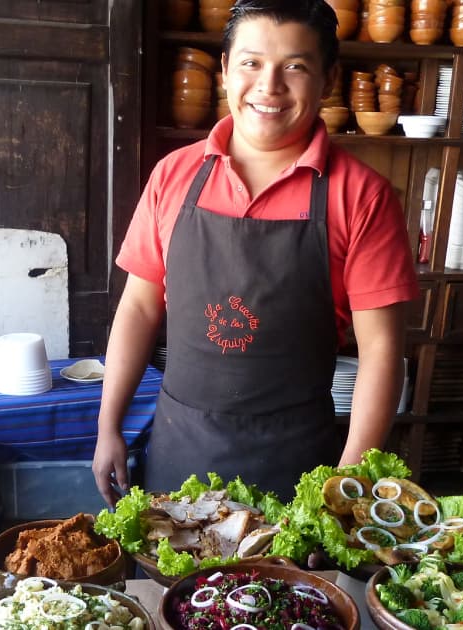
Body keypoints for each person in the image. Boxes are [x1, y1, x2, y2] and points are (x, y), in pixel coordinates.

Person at [92, 0, 418, 506]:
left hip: (294, 462)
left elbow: (380, 351)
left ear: (328, 80)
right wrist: (107, 425)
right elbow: (139, 306)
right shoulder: (173, 175)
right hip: (179, 447)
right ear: (223, 70)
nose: (269, 86)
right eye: (251, 63)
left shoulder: (361, 195)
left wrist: (345, 486)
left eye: (295, 67)